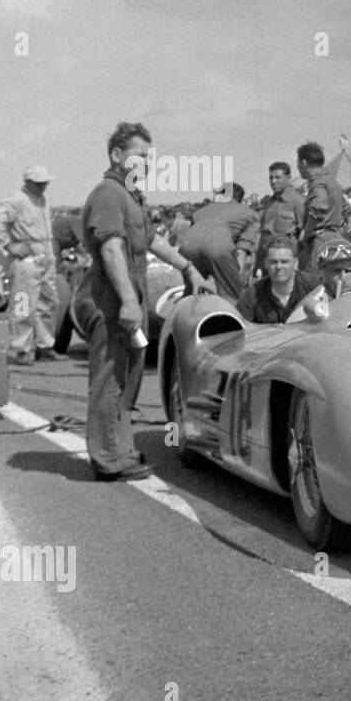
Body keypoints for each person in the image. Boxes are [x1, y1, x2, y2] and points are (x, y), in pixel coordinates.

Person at [75, 122, 210, 481]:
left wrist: (189, 268)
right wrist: (128, 303)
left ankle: (117, 449)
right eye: (139, 156)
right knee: (111, 378)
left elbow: (151, 241)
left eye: (150, 158)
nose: (146, 163)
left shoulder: (131, 196)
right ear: (117, 156)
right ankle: (107, 459)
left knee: (127, 378)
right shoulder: (109, 193)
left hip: (124, 297)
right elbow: (110, 248)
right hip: (109, 299)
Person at [0, 164, 61, 364]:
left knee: (48, 302)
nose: (42, 186)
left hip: (44, 256)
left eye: (44, 183)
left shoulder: (42, 199)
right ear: (28, 182)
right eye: (38, 183)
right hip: (25, 260)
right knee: (23, 305)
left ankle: (45, 345)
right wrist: (10, 245)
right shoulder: (16, 200)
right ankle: (23, 348)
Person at [178, 182, 259, 301]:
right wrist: (234, 280)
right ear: (240, 199)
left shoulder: (201, 211)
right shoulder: (249, 214)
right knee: (230, 296)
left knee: (192, 290)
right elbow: (241, 252)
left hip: (187, 247)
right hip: (217, 247)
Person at [234, 238, 320, 324]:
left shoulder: (316, 287)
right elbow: (240, 328)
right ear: (266, 264)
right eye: (273, 262)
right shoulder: (252, 296)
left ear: (295, 263)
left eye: (284, 262)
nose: (279, 267)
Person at [296, 141, 343, 269]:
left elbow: (319, 208)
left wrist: (305, 234)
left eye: (298, 163)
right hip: (334, 235)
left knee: (312, 280)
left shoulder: (318, 184)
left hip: (320, 238)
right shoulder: (333, 183)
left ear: (304, 162)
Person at [257, 161, 306, 267]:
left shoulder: (298, 201)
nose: (273, 181)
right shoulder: (268, 203)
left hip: (285, 260)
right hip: (266, 256)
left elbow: (304, 233)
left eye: (278, 177)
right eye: (271, 178)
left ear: (288, 177)